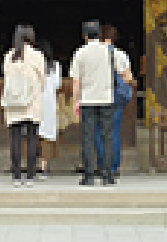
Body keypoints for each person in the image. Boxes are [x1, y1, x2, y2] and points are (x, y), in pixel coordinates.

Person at [68, 20, 116, 185]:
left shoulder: (80, 53)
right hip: (106, 98)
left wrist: (75, 101)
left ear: (85, 35)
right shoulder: (109, 52)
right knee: (107, 137)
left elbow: (76, 81)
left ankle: (89, 176)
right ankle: (107, 175)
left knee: (87, 138)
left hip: (87, 99)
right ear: (99, 34)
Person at [0, 24, 46, 187]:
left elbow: (5, 76)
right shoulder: (37, 55)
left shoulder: (9, 56)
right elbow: (43, 80)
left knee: (15, 138)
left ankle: (16, 176)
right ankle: (31, 176)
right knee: (32, 137)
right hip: (32, 101)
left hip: (13, 101)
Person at [101, 22, 136, 177]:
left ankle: (102, 165)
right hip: (115, 96)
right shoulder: (121, 55)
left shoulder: (93, 54)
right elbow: (129, 78)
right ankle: (113, 167)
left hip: (99, 94)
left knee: (98, 131)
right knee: (114, 131)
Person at [35, 38, 61, 180]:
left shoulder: (33, 64)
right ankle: (43, 169)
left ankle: (32, 166)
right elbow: (57, 84)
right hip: (49, 102)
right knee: (46, 135)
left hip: (34, 102)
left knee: (34, 133)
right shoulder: (55, 66)